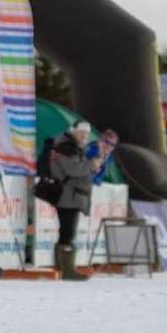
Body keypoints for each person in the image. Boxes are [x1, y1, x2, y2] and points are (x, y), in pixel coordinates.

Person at [49, 120, 107, 280]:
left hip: (70, 194)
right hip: (68, 195)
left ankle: (61, 268)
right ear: (73, 131)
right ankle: (67, 271)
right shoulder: (66, 146)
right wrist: (91, 165)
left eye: (87, 134)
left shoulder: (70, 145)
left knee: (66, 231)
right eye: (82, 133)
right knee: (68, 232)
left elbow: (77, 169)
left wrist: (91, 167)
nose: (84, 136)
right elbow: (74, 170)